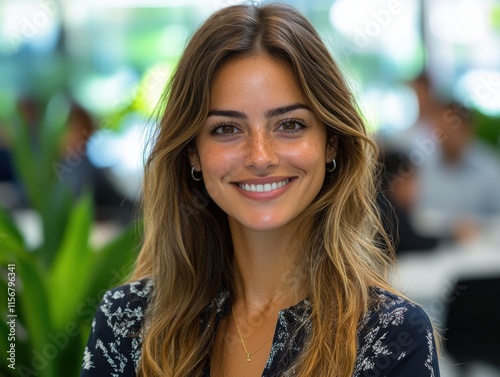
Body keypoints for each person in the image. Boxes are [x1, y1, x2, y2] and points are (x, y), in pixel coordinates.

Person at [81, 4, 440, 376]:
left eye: (289, 124)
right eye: (226, 129)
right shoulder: (127, 321)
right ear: (194, 154)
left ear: (331, 142)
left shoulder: (389, 335)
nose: (260, 157)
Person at [414, 101, 500, 238]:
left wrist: (476, 226)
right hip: (431, 249)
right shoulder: (423, 167)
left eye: (450, 128)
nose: (444, 136)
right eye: (439, 129)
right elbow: (418, 216)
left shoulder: (489, 168)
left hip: (479, 248)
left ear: (467, 129)